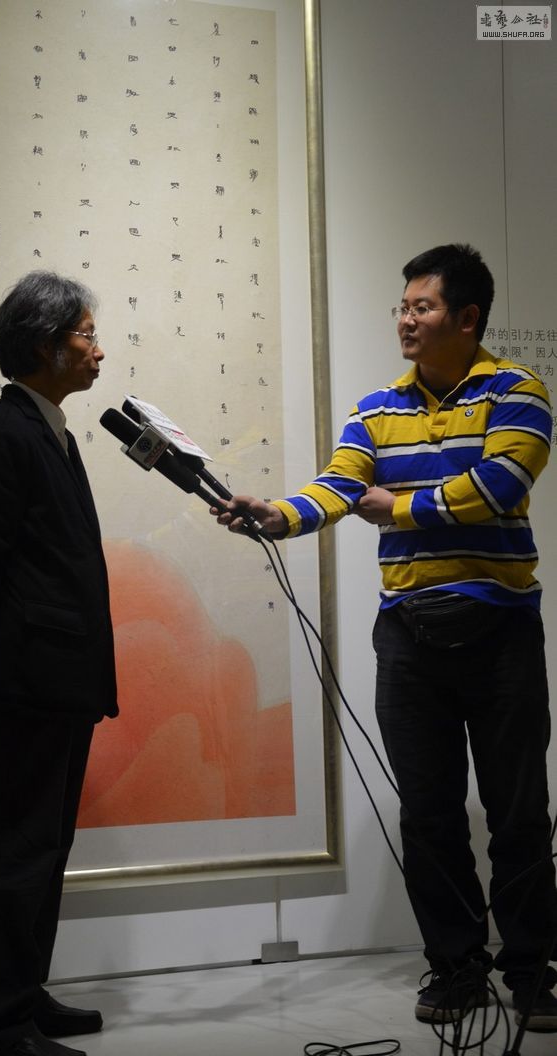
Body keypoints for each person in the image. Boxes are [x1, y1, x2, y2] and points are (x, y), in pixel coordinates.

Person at [214, 244, 557, 1031]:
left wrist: (397, 508)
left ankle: (533, 970)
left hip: (503, 630)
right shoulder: (377, 407)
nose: (405, 320)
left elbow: (500, 486)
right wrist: (278, 516)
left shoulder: (518, 391)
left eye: (422, 307)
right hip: (407, 635)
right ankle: (457, 968)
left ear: (467, 318)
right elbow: (340, 483)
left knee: (518, 811)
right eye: (402, 306)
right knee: (428, 814)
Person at [0, 271, 118, 1056]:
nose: (98, 351)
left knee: (45, 850)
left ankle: (22, 994)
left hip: (60, 678)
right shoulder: (5, 435)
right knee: (14, 851)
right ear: (47, 346)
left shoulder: (51, 430)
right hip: (27, 678)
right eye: (86, 335)